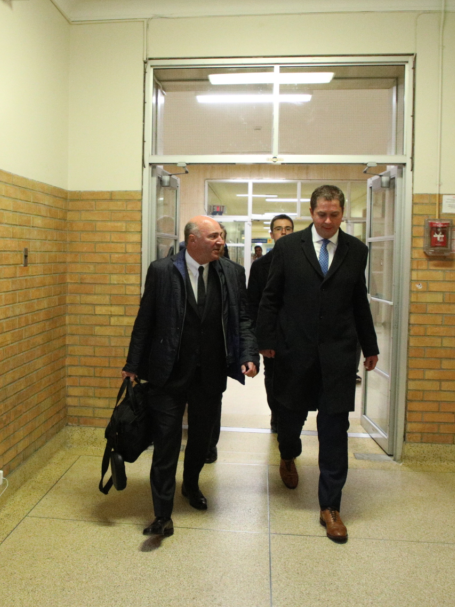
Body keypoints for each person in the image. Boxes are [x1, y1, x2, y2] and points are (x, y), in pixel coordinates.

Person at [123, 216, 259, 538]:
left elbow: (242, 319)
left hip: (210, 372)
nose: (220, 241)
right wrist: (133, 363)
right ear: (192, 240)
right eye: (213, 236)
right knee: (166, 441)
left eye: (222, 236)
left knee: (201, 438)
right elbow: (146, 319)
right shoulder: (161, 271)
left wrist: (248, 355)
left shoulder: (232, 273)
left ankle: (192, 484)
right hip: (168, 371)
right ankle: (162, 514)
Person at [257, 185, 379, 544]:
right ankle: (288, 453)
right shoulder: (287, 248)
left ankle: (330, 506)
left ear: (343, 214)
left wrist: (369, 345)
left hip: (339, 355)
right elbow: (271, 297)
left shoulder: (356, 251)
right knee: (290, 417)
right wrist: (266, 342)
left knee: (334, 429)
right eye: (322, 214)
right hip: (295, 351)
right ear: (311, 212)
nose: (327, 221)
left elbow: (359, 301)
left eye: (334, 215)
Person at [247, 214, 294, 434]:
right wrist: (260, 339)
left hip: (297, 334)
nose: (283, 232)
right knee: (273, 377)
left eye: (288, 229)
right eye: (279, 229)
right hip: (272, 336)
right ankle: (276, 415)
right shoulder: (260, 266)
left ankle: (291, 417)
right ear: (271, 234)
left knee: (295, 378)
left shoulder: (303, 261)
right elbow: (254, 305)